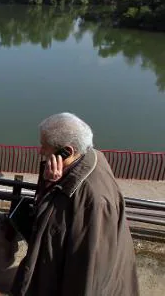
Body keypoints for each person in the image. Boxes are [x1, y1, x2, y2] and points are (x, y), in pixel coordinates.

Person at [11, 112, 139, 296]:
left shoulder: (95, 200)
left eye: (44, 146)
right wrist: (51, 183)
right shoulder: (88, 159)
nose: (41, 151)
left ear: (67, 152)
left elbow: (91, 269)